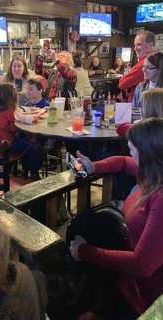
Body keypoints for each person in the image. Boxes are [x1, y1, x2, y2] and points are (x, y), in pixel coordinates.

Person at [71, 118, 163, 317]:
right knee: (87, 221)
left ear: (148, 153)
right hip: (130, 251)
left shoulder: (160, 197)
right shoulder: (153, 172)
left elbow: (142, 264)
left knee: (86, 231)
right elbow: (122, 162)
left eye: (133, 148)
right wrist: (94, 166)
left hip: (144, 289)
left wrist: (86, 251)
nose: (129, 150)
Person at [0, 83, 41, 179]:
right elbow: (14, 129)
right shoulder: (9, 113)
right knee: (32, 147)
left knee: (26, 140)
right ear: (11, 99)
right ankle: (33, 173)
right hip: (8, 145)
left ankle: (25, 169)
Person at [119, 31, 157, 101]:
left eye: (139, 44)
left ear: (150, 45)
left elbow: (122, 84)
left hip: (141, 107)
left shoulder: (145, 63)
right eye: (134, 45)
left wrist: (127, 74)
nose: (135, 48)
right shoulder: (156, 59)